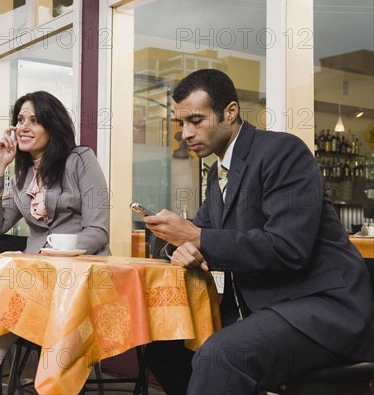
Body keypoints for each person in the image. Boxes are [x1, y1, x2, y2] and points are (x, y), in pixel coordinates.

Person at [141, 69, 374, 395]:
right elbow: (199, 230)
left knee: (220, 355)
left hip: (323, 309)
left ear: (230, 112)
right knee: (164, 349)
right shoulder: (217, 174)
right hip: (262, 309)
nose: (186, 133)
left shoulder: (282, 152)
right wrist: (177, 247)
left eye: (196, 120)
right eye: (181, 124)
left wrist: (195, 238)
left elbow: (288, 247)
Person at [0, 90, 110, 395]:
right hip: (33, 273)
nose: (24, 126)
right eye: (20, 119)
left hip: (75, 275)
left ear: (52, 125)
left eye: (34, 120)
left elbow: (98, 231)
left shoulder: (80, 159)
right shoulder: (21, 175)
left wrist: (58, 251)